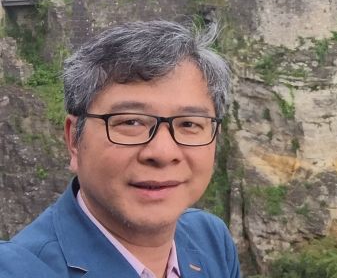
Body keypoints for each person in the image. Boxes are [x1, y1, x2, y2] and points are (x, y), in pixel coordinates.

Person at [0, 21, 241, 277]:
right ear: (74, 140)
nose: (162, 152)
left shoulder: (211, 240)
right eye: (131, 122)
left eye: (189, 124)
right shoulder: (19, 269)